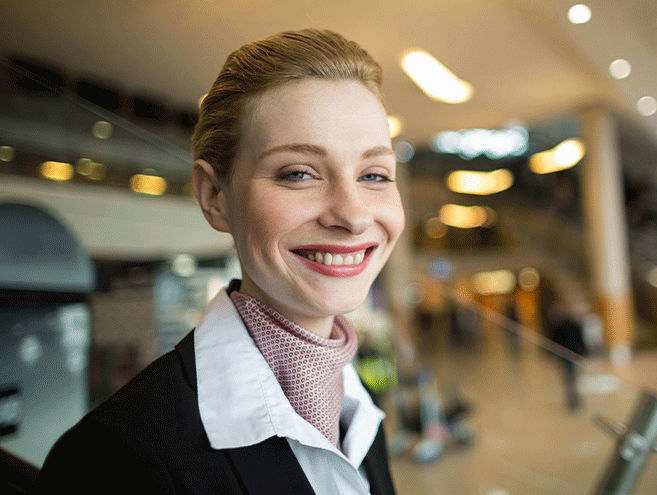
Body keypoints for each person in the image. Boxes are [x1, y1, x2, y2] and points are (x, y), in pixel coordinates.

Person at [35, 28, 403, 494]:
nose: (353, 215)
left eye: (374, 174)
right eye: (298, 173)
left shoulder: (353, 403)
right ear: (214, 196)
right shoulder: (113, 458)